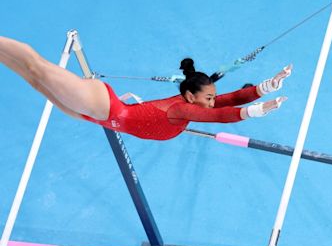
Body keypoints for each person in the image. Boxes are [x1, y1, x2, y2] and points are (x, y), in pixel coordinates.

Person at [0, 36, 291, 140]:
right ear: (191, 96)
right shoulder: (181, 110)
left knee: (35, 80)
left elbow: (232, 98)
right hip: (105, 107)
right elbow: (219, 116)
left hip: (94, 115)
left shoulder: (192, 105)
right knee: (36, 66)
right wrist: (255, 111)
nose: (215, 102)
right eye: (209, 97)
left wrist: (266, 86)